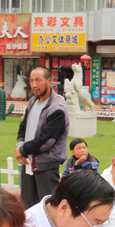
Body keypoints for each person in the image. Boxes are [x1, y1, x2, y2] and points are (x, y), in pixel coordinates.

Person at [15, 66, 70, 209]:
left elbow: (46, 141)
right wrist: (19, 146)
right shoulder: (33, 101)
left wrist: (22, 150)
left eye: (38, 80)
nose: (34, 85)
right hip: (28, 164)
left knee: (48, 209)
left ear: (49, 81)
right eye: (32, 80)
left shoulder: (57, 108)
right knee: (28, 209)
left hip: (46, 166)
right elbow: (23, 126)